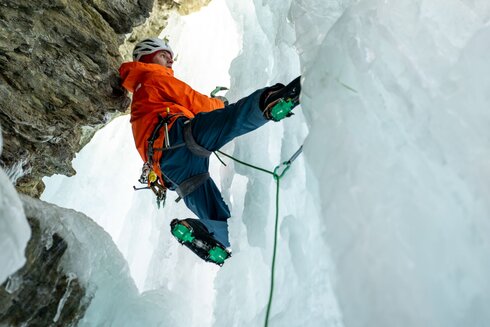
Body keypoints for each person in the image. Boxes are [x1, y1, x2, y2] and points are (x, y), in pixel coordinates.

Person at [119, 37, 301, 265]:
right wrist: (219, 104)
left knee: (220, 218)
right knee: (232, 118)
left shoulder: (141, 98)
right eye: (163, 53)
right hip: (179, 139)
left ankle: (202, 233)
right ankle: (273, 101)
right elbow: (195, 102)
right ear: (146, 56)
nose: (169, 59)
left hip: (173, 171)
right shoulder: (152, 77)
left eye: (170, 56)